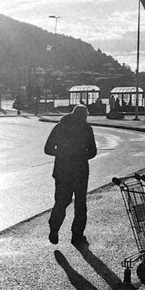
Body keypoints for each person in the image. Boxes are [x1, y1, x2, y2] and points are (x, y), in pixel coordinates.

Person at [43, 103, 97, 247]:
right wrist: (80, 156)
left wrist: (62, 154)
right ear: (84, 116)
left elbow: (48, 149)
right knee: (80, 205)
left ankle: (54, 228)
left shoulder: (60, 127)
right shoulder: (86, 129)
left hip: (62, 170)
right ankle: (77, 236)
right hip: (80, 171)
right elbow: (93, 151)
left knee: (62, 201)